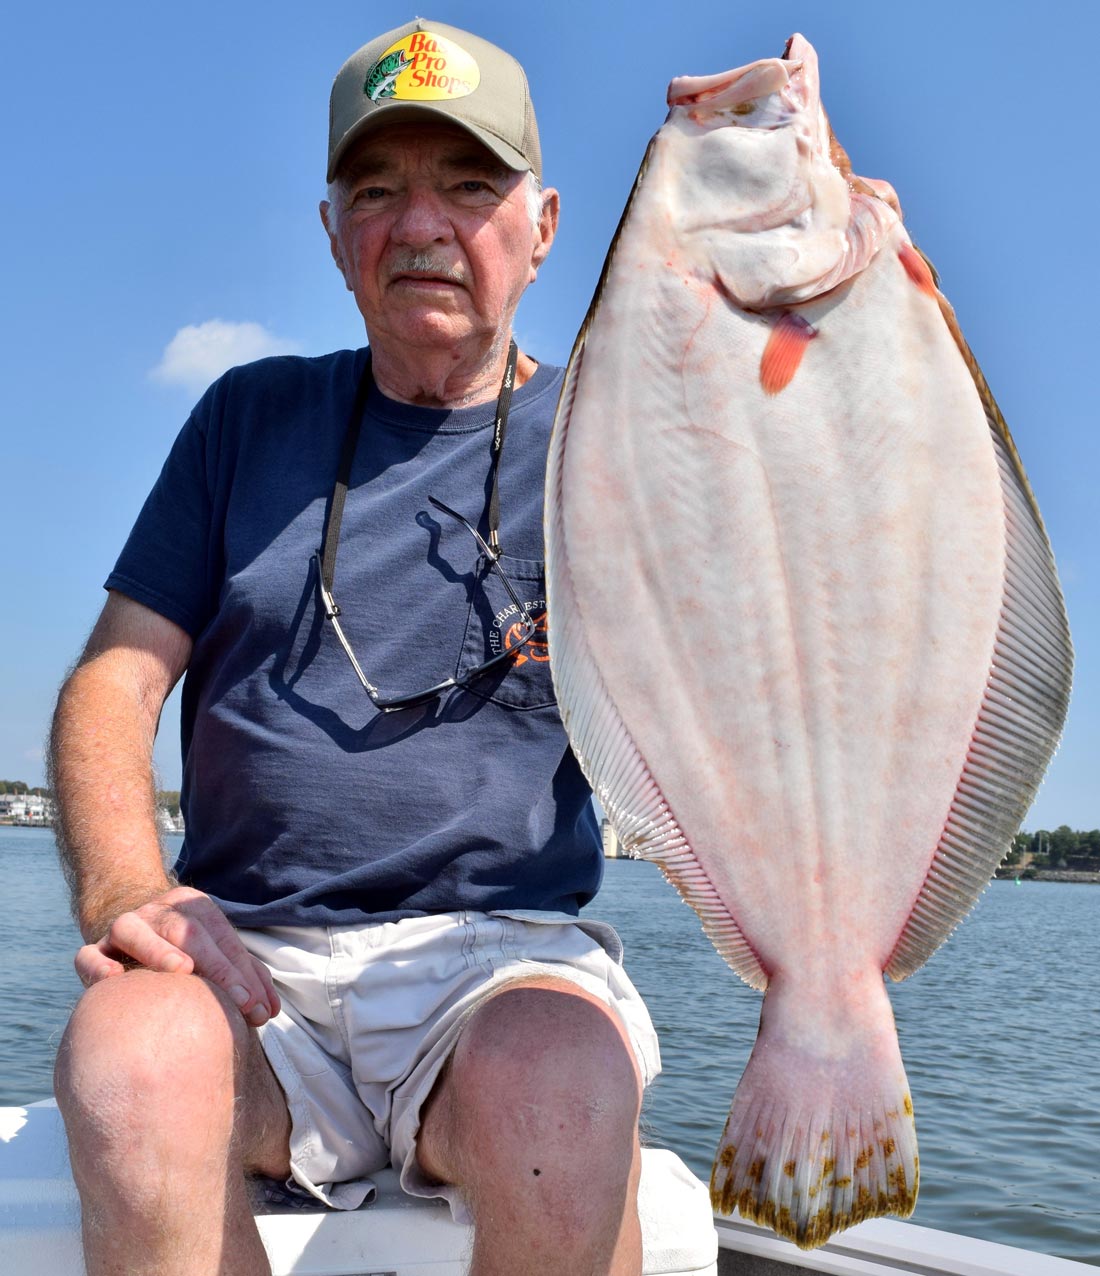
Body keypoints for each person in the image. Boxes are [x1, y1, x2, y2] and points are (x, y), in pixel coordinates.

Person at [48, 18, 661, 1276]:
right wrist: (124, 890)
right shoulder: (244, 420)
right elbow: (115, 681)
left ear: (543, 226)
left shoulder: (623, 439)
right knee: (127, 1056)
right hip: (250, 955)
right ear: (331, 234)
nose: (421, 224)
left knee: (559, 1088)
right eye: (375, 191)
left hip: (504, 959)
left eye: (469, 185)